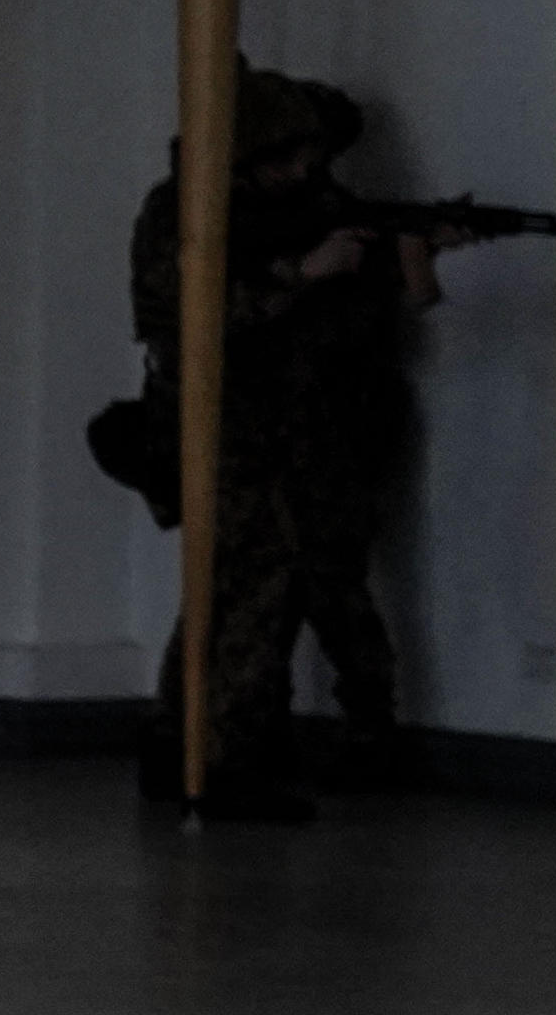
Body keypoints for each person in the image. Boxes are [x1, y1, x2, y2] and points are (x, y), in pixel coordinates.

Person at [119, 65, 433, 821]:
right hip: (226, 423)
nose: (302, 171)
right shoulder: (180, 211)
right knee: (248, 589)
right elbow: (186, 312)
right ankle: (221, 761)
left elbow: (355, 291)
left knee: (238, 587)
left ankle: (187, 744)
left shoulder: (303, 202)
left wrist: (409, 252)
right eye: (284, 158)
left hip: (292, 425)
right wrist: (302, 272)